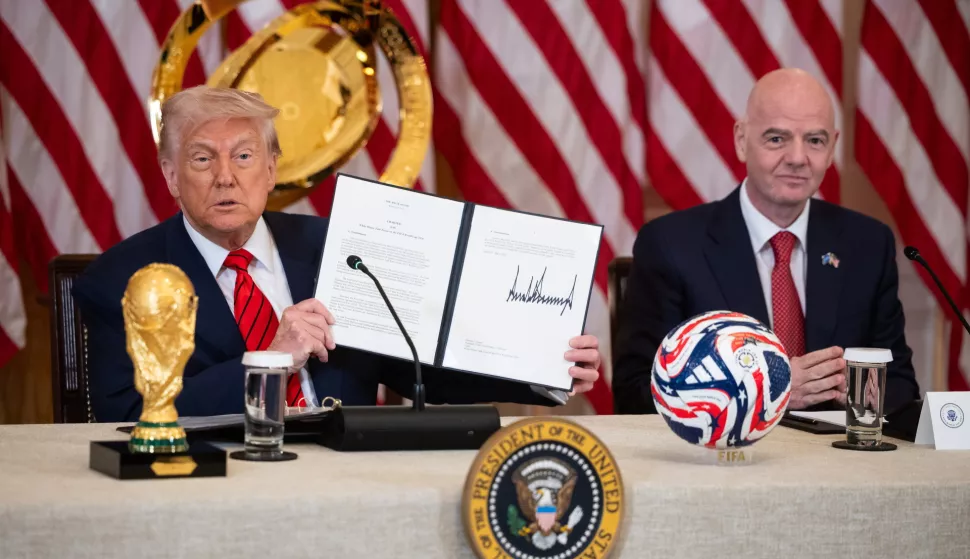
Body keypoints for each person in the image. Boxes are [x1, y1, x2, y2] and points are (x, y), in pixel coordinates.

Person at [73, 86, 601, 423]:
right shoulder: (124, 279)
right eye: (202, 158)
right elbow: (127, 416)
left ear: (273, 168)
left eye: (244, 156)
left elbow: (420, 367)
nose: (226, 177)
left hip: (352, 478)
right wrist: (270, 361)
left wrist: (540, 370)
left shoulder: (341, 248)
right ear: (170, 174)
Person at [612, 68, 920, 416]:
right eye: (777, 139)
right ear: (741, 140)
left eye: (815, 141)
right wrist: (769, 389)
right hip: (721, 465)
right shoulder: (671, 245)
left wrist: (855, 392)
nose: (797, 158)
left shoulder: (867, 245)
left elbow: (901, 387)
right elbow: (636, 392)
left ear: (832, 147)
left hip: (837, 461)